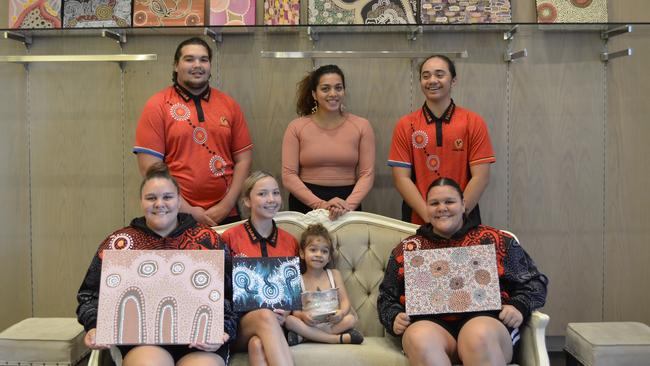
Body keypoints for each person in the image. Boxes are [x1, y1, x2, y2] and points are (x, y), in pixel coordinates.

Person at [76, 162, 237, 366]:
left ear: (179, 202)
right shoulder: (121, 243)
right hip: (143, 341)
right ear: (141, 202)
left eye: (168, 197)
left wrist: (223, 330)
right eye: (151, 198)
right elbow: (89, 295)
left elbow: (232, 293)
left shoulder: (208, 239)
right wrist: (93, 326)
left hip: (201, 340)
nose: (159, 203)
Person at [377, 177, 548, 365]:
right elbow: (387, 296)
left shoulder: (497, 240)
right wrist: (393, 317)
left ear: (463, 204)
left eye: (449, 202)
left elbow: (535, 282)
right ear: (426, 207)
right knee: (419, 338)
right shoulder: (408, 248)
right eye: (434, 203)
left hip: (487, 322)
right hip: (430, 326)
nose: (442, 208)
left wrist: (519, 306)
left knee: (477, 336)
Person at [134, 37, 253, 227]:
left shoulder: (229, 105)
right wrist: (188, 210)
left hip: (226, 214)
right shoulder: (157, 105)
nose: (197, 65)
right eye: (189, 59)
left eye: (203, 60)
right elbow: (150, 168)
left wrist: (227, 204)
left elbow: (243, 160)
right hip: (174, 213)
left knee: (224, 258)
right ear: (175, 65)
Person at [388, 55, 495, 225]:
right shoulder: (406, 125)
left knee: (464, 253)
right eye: (426, 76)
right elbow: (401, 179)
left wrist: (455, 217)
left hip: (464, 219)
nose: (432, 80)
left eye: (439, 74)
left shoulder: (473, 122)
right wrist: (430, 217)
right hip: (419, 219)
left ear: (453, 81)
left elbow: (481, 177)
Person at [221, 171, 299, 366]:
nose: (271, 199)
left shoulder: (290, 241)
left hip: (275, 326)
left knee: (257, 345)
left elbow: (296, 291)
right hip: (238, 325)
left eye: (275, 193)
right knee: (265, 315)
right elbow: (221, 291)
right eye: (262, 194)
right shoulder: (230, 237)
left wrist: (287, 312)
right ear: (247, 200)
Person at [282, 64, 375, 220]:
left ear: (344, 91)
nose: (333, 93)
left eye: (338, 88)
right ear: (314, 94)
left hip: (347, 203)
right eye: (325, 89)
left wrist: (348, 206)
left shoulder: (362, 126)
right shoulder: (296, 127)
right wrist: (320, 205)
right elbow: (288, 175)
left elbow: (367, 174)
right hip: (305, 204)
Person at [284, 223, 363, 345]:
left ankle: (306, 337)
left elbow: (345, 301)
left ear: (329, 257)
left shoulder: (334, 274)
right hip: (309, 323)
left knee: (351, 319)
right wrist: (303, 316)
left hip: (332, 323)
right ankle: (336, 339)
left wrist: (341, 313)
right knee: (290, 320)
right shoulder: (297, 279)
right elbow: (295, 311)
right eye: (313, 249)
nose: (318, 254)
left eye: (324, 251)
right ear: (302, 253)